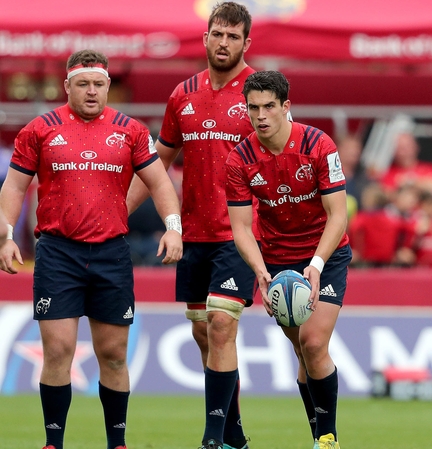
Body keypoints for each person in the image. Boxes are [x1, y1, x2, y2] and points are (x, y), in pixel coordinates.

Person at [0, 49, 183, 449]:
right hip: (57, 253)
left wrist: (173, 228)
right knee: (59, 349)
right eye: (82, 84)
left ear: (108, 87)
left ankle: (117, 443)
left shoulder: (130, 130)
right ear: (67, 86)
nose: (91, 92)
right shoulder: (40, 129)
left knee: (114, 354)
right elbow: (14, 186)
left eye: (99, 84)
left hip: (110, 253)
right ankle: (54, 443)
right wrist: (7, 234)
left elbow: (160, 182)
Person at [125, 4, 259, 449]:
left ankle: (212, 439)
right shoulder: (182, 94)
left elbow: (281, 156)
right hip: (193, 232)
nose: (224, 43)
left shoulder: (259, 93)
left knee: (221, 326)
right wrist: (116, 213)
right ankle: (235, 434)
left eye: (233, 36)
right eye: (217, 34)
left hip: (238, 234)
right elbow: (158, 163)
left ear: (246, 43)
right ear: (205, 38)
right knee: (205, 333)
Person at [226, 71, 350, 449]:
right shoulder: (239, 159)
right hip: (277, 260)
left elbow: (339, 215)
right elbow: (241, 228)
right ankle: (318, 435)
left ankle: (328, 438)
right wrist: (261, 271)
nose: (261, 115)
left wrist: (315, 263)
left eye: (268, 107)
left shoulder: (318, 145)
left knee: (313, 343)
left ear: (285, 107)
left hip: (325, 254)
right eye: (253, 108)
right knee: (301, 351)